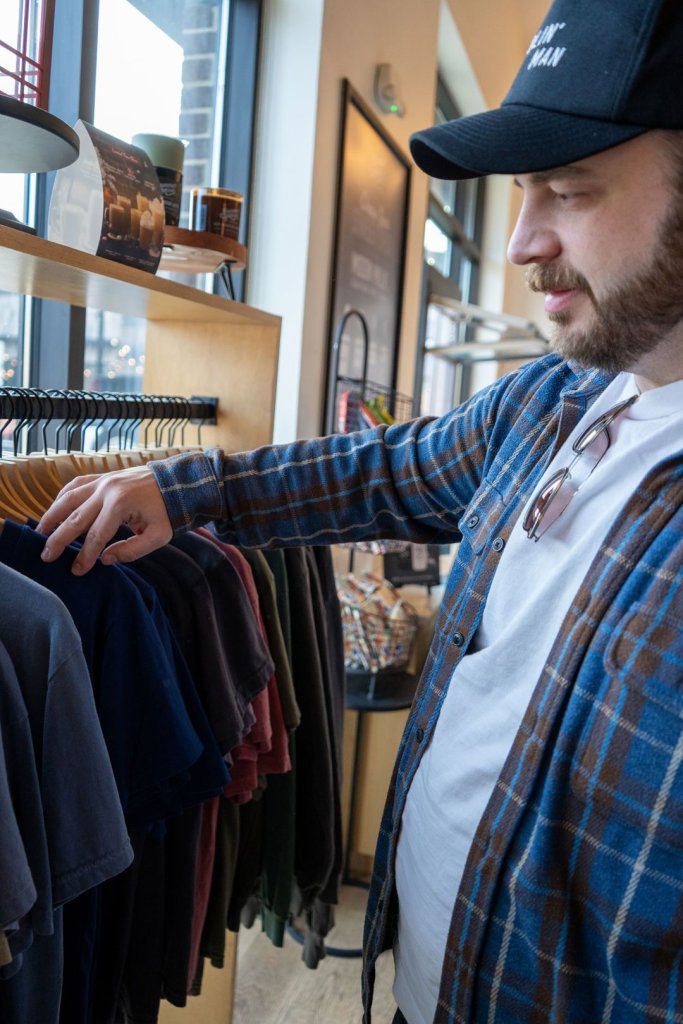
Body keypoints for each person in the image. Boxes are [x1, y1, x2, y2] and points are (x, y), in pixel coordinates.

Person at [37, 0, 683, 1020]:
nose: (521, 241)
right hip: (427, 981)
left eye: (567, 190)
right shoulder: (558, 397)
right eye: (521, 193)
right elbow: (386, 468)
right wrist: (182, 487)